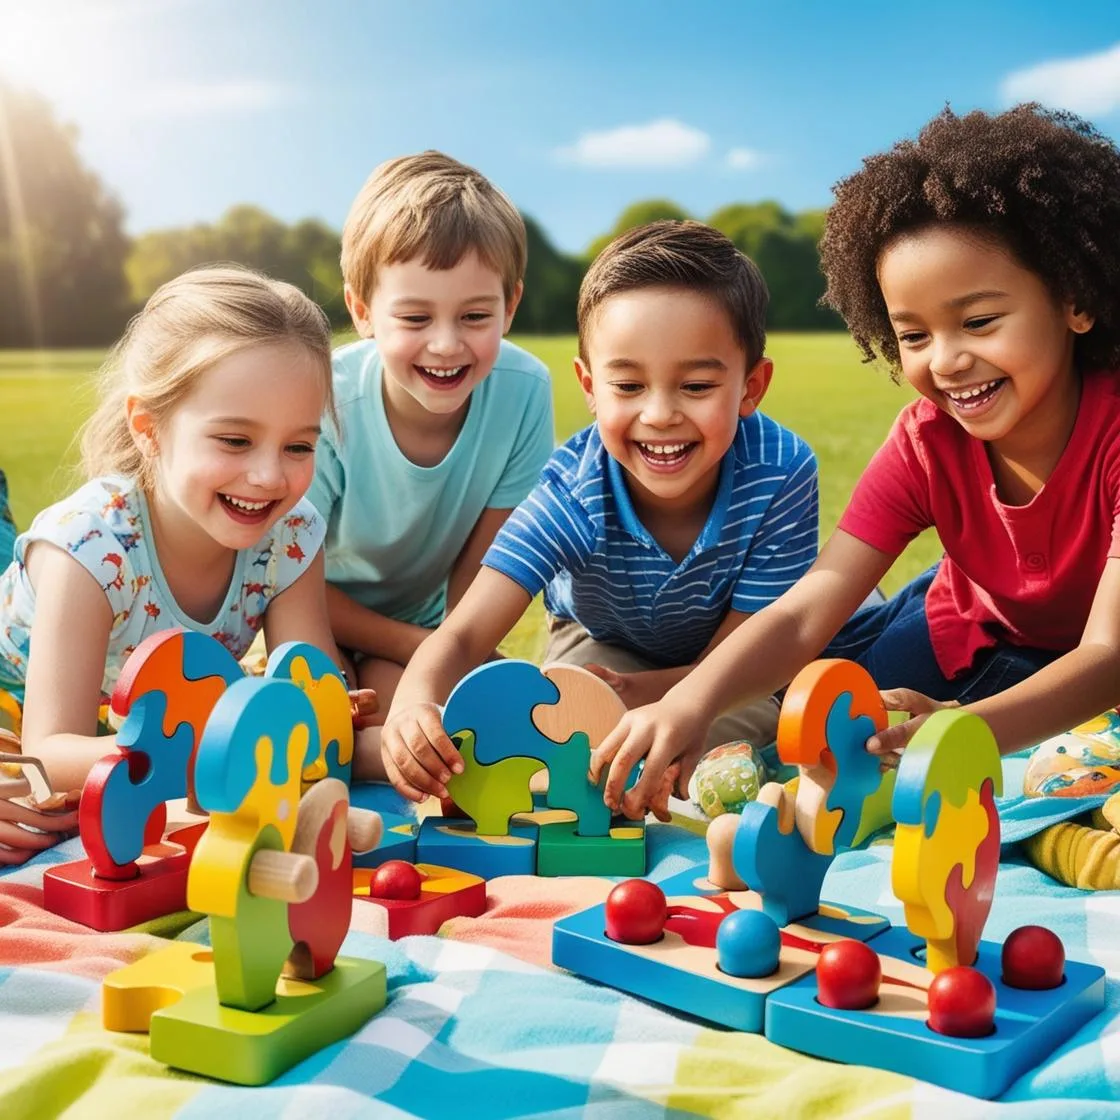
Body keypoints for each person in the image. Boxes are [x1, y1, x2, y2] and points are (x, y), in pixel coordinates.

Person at [592, 104, 1120, 819]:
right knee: (820, 730)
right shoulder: (927, 441)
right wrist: (690, 700)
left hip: (1085, 664)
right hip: (963, 627)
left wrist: (963, 724)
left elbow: (1107, 657)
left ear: (1074, 299)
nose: (947, 360)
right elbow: (809, 606)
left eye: (979, 321)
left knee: (1056, 773)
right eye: (913, 334)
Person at [381, 220, 820, 817]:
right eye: (628, 385)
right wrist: (413, 705)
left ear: (751, 386)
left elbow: (751, 647)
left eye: (695, 385)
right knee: (573, 746)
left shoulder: (781, 471)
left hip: (727, 664)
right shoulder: (573, 488)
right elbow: (463, 631)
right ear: (590, 386)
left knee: (719, 739)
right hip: (600, 649)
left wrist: (666, 694)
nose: (660, 414)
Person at [0, 266, 374, 864]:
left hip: (128, 723)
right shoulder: (90, 547)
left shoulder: (290, 535)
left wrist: (412, 745)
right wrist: (228, 747)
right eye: (234, 440)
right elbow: (48, 748)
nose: (270, 477)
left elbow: (314, 712)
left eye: (299, 446)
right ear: (148, 429)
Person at [306, 151, 554, 778]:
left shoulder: (525, 389)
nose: (447, 345)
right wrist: (428, 649)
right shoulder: (325, 398)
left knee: (439, 745)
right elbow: (287, 577)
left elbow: (483, 566)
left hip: (424, 626)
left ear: (511, 304)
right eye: (415, 318)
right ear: (362, 311)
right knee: (329, 726)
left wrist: (444, 651)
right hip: (315, 612)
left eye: (475, 316)